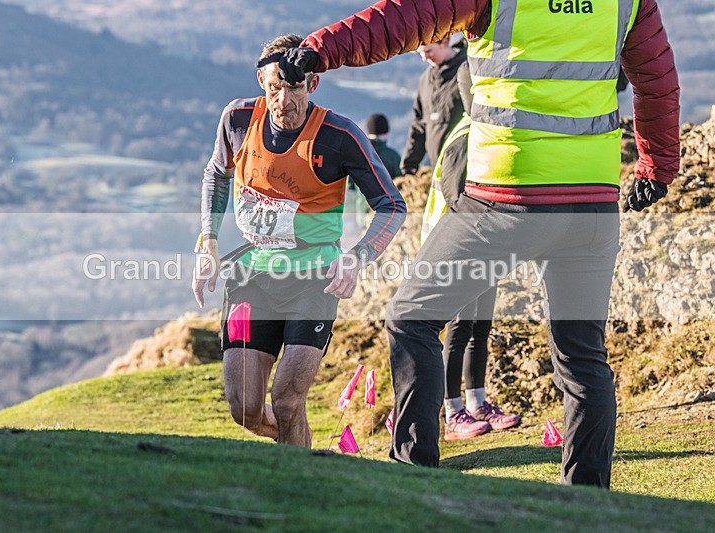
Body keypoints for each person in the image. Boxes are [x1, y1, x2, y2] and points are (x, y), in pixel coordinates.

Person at [274, 0, 680, 487]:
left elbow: (402, 20)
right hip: (590, 204)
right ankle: (588, 499)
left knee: (411, 317)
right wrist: (657, 168)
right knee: (582, 356)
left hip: (504, 200)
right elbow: (656, 79)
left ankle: (414, 473)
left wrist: (319, 50)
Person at [192, 34, 406, 448]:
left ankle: (298, 485)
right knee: (245, 410)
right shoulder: (236, 120)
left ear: (313, 84)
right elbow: (216, 175)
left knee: (287, 400)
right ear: (261, 81)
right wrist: (209, 241)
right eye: (274, 88)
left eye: (294, 88)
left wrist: (358, 256)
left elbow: (391, 205)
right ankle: (301, 444)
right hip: (252, 274)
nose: (283, 100)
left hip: (314, 278)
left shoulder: (339, 135)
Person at [422, 62, 520, 440]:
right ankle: (453, 413)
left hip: (486, 247)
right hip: (458, 250)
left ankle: (478, 404)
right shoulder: (467, 137)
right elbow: (457, 198)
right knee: (460, 329)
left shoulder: (483, 132)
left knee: (480, 328)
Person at [401, 33, 467, 175]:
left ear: (445, 42)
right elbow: (420, 123)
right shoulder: (425, 80)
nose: (424, 58)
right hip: (437, 167)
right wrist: (410, 163)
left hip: (465, 166)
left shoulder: (467, 72)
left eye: (428, 51)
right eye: (420, 53)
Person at [350, 113, 402, 227]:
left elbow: (350, 185)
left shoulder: (357, 154)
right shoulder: (393, 156)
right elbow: (401, 185)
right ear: (386, 133)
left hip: (363, 215)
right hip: (386, 216)